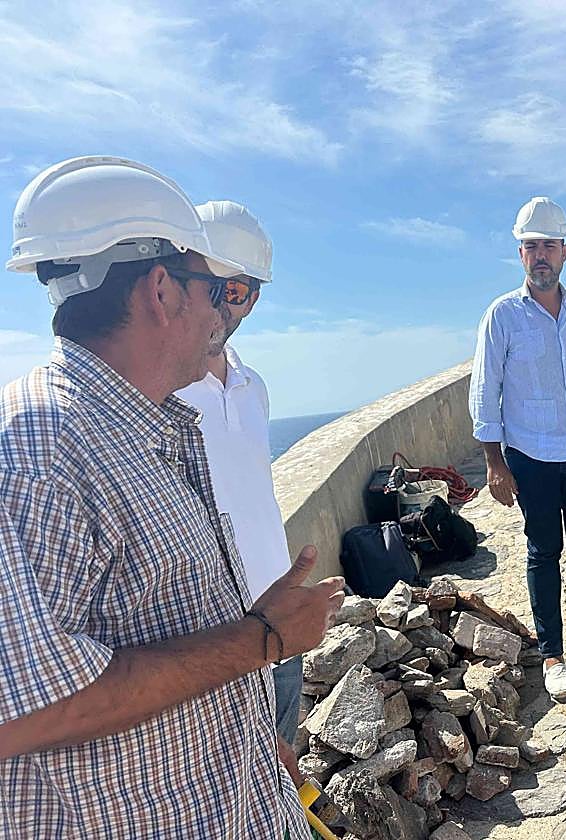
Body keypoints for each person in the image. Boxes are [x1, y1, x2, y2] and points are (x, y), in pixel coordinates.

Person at [0, 156, 343, 837]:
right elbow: (20, 714)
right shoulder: (40, 449)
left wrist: (254, 744)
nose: (220, 313)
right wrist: (264, 638)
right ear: (161, 290)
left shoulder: (141, 424)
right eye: (212, 290)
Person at [469, 196, 566, 701]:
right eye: (531, 247)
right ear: (521, 254)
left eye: (549, 247)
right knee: (542, 551)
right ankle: (553, 654)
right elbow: (485, 389)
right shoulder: (502, 316)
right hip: (530, 455)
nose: (541, 256)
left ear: (564, 252)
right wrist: (494, 463)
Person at [174, 200, 303, 781]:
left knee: (279, 781)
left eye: (237, 291)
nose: (221, 306)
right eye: (210, 285)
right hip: (214, 642)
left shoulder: (254, 387)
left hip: (280, 619)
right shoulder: (158, 397)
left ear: (253, 298)